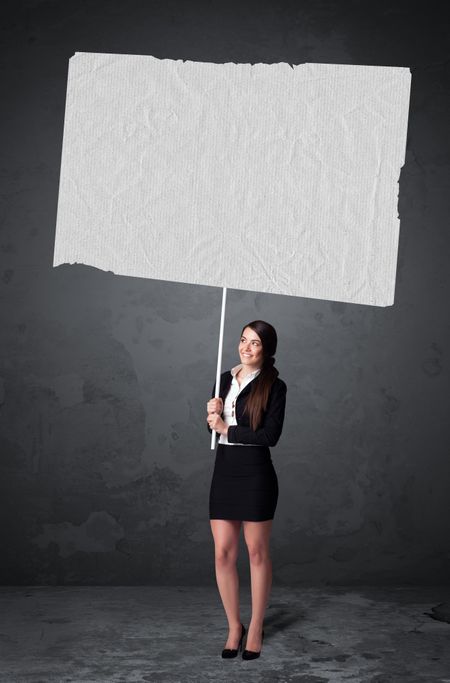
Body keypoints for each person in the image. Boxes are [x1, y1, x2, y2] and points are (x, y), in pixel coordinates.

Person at [206, 320, 287, 660]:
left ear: (266, 350)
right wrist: (210, 417)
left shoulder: (275, 386)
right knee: (223, 552)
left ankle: (255, 625)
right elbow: (215, 431)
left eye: (255, 343)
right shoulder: (223, 378)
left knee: (256, 553)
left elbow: (270, 437)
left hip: (255, 474)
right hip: (224, 471)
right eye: (243, 340)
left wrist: (227, 427)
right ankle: (233, 626)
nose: (246, 347)